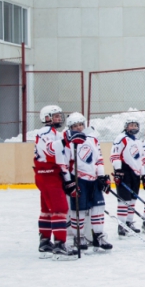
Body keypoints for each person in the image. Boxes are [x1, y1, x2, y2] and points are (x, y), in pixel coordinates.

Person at [64, 112, 113, 252]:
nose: (79, 128)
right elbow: (65, 162)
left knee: (98, 208)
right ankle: (78, 237)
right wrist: (69, 180)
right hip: (78, 179)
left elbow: (98, 159)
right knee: (78, 209)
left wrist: (102, 176)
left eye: (81, 125)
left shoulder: (92, 138)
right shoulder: (67, 141)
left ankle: (98, 236)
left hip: (93, 180)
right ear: (70, 127)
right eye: (75, 126)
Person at [34, 105, 77, 259]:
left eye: (60, 115)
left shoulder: (54, 133)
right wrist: (66, 139)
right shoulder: (45, 132)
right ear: (47, 118)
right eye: (56, 116)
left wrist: (67, 177)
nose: (60, 118)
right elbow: (51, 151)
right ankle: (59, 244)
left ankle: (45, 242)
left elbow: (61, 157)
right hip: (48, 174)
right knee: (60, 209)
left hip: (50, 175)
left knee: (47, 210)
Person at [111, 118, 145, 235]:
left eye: (135, 125)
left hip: (136, 173)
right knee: (123, 199)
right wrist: (118, 169)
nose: (134, 127)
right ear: (126, 127)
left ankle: (129, 222)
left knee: (132, 199)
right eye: (131, 125)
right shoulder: (121, 138)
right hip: (124, 171)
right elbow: (114, 154)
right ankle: (121, 224)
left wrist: (144, 173)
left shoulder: (138, 141)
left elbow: (141, 159)